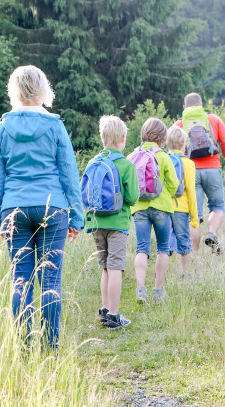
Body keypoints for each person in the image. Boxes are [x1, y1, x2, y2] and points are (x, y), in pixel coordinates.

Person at [0, 65, 84, 351]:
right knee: (51, 278)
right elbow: (69, 173)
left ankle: (24, 345)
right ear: (43, 88)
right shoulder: (54, 125)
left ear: (14, 90)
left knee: (21, 279)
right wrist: (76, 217)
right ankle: (51, 345)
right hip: (52, 207)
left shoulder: (2, 128)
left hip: (14, 209)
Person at [82, 116, 139, 330]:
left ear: (103, 138)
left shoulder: (92, 162)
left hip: (96, 222)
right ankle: (115, 316)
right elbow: (133, 198)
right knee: (115, 267)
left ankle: (105, 312)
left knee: (104, 267)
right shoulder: (125, 165)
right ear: (122, 138)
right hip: (118, 223)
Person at [174, 93, 225, 254]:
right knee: (217, 207)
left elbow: (171, 153)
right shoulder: (214, 120)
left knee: (194, 215)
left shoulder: (179, 124)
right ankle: (212, 234)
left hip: (190, 172)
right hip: (213, 168)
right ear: (201, 105)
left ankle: (194, 254)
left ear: (184, 107)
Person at [129, 118, 179, 303]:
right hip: (161, 208)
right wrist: (165, 195)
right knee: (163, 249)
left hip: (139, 208)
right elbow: (174, 183)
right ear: (162, 137)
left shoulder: (131, 156)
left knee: (141, 248)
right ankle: (158, 292)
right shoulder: (164, 157)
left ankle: (141, 289)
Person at [166, 125, 199, 276]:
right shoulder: (188, 163)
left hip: (164, 208)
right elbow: (191, 191)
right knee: (184, 241)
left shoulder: (163, 159)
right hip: (181, 209)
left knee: (164, 243)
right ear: (182, 143)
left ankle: (161, 274)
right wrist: (194, 217)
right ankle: (185, 273)